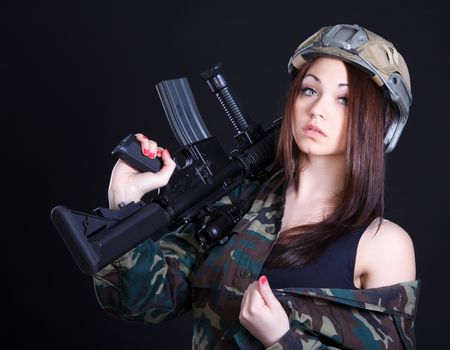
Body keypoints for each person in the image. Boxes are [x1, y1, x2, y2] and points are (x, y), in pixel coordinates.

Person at [94, 24, 420, 349]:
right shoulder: (239, 200)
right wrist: (124, 202)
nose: (317, 109)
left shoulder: (384, 245)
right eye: (309, 89)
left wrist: (282, 339)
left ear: (383, 124)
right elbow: (141, 300)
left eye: (344, 99)